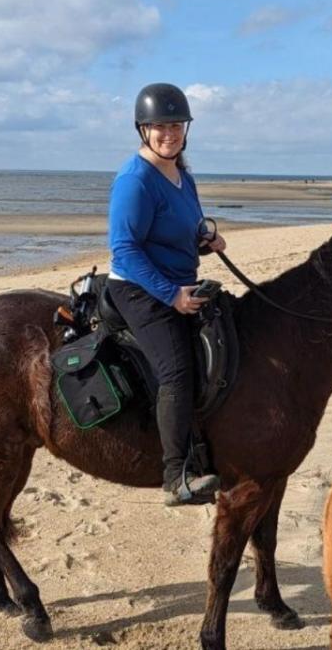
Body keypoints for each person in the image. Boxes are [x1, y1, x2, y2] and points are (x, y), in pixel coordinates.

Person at [107, 83, 226, 506]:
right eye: (159, 126)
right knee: (176, 371)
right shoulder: (135, 180)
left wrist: (205, 239)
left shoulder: (183, 176)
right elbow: (125, 249)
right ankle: (176, 476)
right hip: (138, 289)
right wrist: (170, 295)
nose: (168, 133)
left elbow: (180, 232)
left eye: (175, 125)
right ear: (143, 129)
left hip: (180, 283)